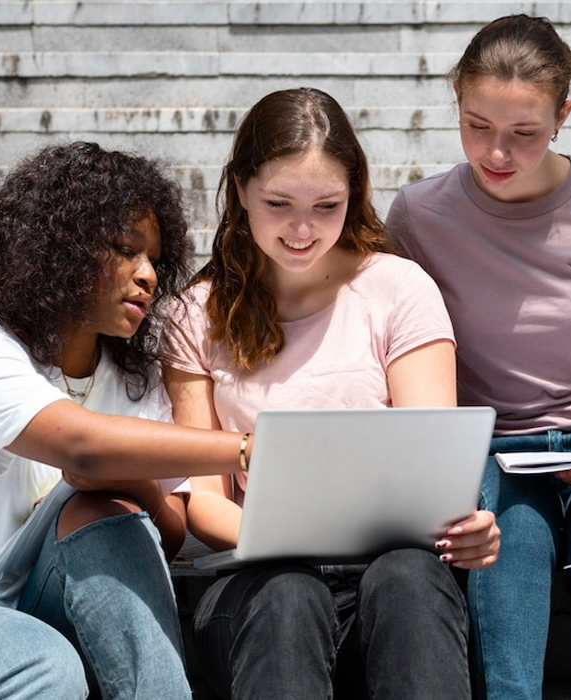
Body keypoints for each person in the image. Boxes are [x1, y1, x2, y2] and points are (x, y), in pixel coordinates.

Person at [0, 142, 250, 700]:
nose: (147, 276)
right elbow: (83, 447)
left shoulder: (135, 382)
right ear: (58, 250)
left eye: (156, 262)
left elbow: (168, 532)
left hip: (47, 601)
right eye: (125, 250)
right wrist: (245, 449)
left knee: (99, 507)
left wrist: (124, 485)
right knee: (42, 664)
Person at [385, 15, 571, 700]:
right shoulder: (418, 215)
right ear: (456, 102)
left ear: (563, 117)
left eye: (524, 133)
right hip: (493, 452)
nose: (496, 153)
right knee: (508, 531)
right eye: (475, 126)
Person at [163, 87, 501, 700]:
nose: (302, 229)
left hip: (393, 581)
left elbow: (432, 466)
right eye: (278, 203)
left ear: (355, 195)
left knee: (408, 577)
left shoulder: (399, 289)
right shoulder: (196, 314)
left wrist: (467, 528)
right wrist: (283, 535)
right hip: (259, 589)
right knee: (290, 591)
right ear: (240, 191)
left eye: (327, 205)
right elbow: (203, 505)